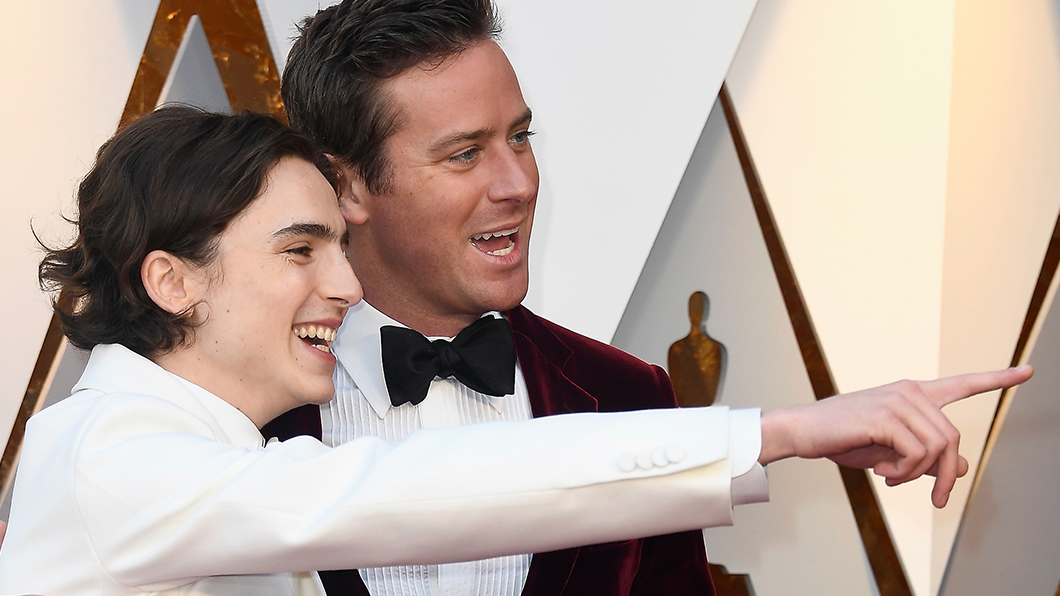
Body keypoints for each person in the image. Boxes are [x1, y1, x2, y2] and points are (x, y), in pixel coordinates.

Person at [268, 1, 1033, 595]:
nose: (518, 183)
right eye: (466, 154)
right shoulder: (237, 407)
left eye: (521, 138)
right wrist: (793, 431)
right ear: (347, 187)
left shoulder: (624, 394)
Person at [0, 106, 827, 595]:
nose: (348, 286)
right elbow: (405, 491)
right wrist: (770, 434)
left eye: (338, 246)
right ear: (173, 282)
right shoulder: (110, 453)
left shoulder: (151, 443)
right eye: (300, 252)